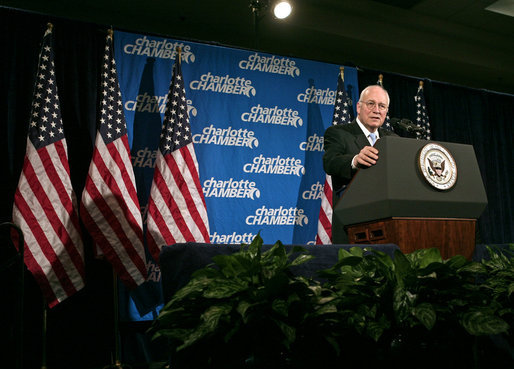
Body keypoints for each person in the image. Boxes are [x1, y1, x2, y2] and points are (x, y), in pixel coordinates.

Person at [323, 85, 397, 242]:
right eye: (371, 103)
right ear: (358, 106)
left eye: (382, 106)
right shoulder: (339, 133)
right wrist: (355, 160)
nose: (376, 110)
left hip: (386, 221)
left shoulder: (392, 139)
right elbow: (330, 162)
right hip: (352, 222)